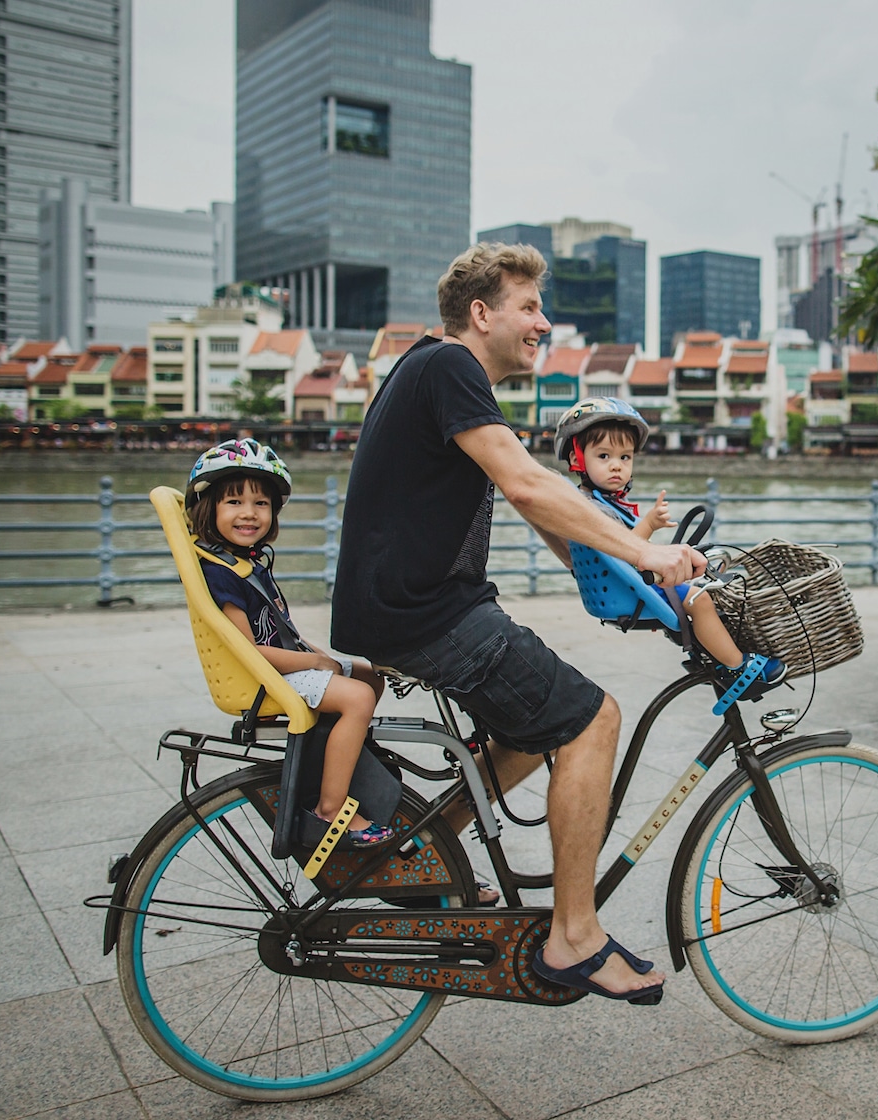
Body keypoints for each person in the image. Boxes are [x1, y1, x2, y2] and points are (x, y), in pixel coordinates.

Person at [331, 243, 706, 1004]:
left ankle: (424, 849)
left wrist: (613, 574)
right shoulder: (448, 368)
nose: (543, 322)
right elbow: (529, 483)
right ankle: (574, 937)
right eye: (528, 307)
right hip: (424, 613)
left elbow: (522, 495)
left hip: (412, 605)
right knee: (590, 719)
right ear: (482, 313)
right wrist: (644, 550)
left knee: (526, 731)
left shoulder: (429, 368)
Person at [187, 438, 392, 848]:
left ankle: (341, 756)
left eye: (261, 504)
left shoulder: (247, 564)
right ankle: (330, 809)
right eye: (234, 503)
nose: (249, 513)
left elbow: (281, 632)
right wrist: (314, 665)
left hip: (277, 666)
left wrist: (318, 655)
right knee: (357, 699)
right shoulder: (222, 575)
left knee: (370, 676)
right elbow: (249, 650)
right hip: (260, 676)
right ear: (209, 509)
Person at [553, 397, 787, 693]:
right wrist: (649, 524)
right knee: (699, 598)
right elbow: (624, 551)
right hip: (625, 592)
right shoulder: (594, 510)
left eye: (625, 458)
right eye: (603, 456)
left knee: (700, 583)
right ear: (578, 459)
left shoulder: (597, 503)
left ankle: (710, 651)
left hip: (625, 585)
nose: (616, 466)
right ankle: (737, 667)